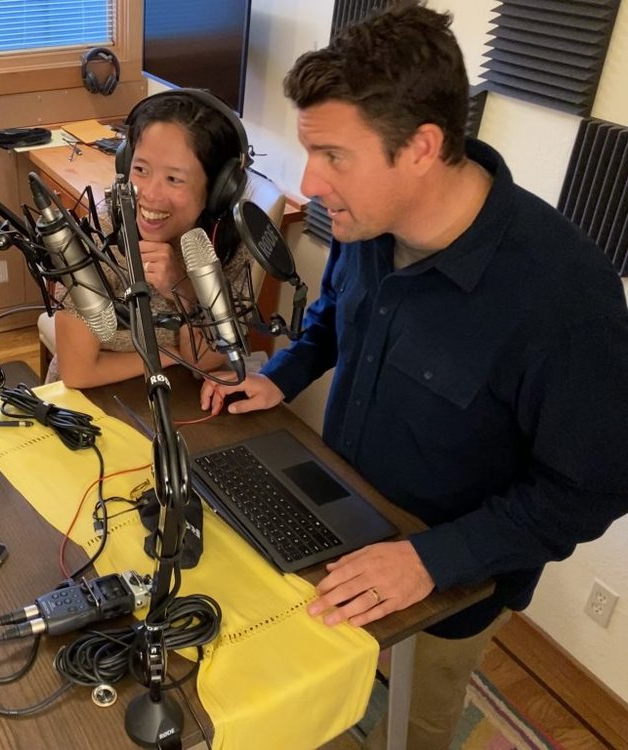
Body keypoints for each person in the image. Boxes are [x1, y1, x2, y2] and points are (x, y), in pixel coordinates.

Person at [200, 2, 628, 747]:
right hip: (334, 518)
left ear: (422, 147)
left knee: (415, 725)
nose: (310, 181)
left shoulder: (567, 299)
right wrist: (282, 375)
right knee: (320, 689)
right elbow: (333, 319)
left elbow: (589, 490)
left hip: (448, 585)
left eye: (334, 155)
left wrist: (432, 560)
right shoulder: (368, 223)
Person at [48, 89, 254, 388]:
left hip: (181, 395)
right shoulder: (99, 233)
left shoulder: (224, 241)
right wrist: (174, 356)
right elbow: (79, 372)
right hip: (93, 399)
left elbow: (207, 362)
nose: (151, 195)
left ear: (219, 189)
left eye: (174, 179)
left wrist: (182, 289)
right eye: (141, 170)